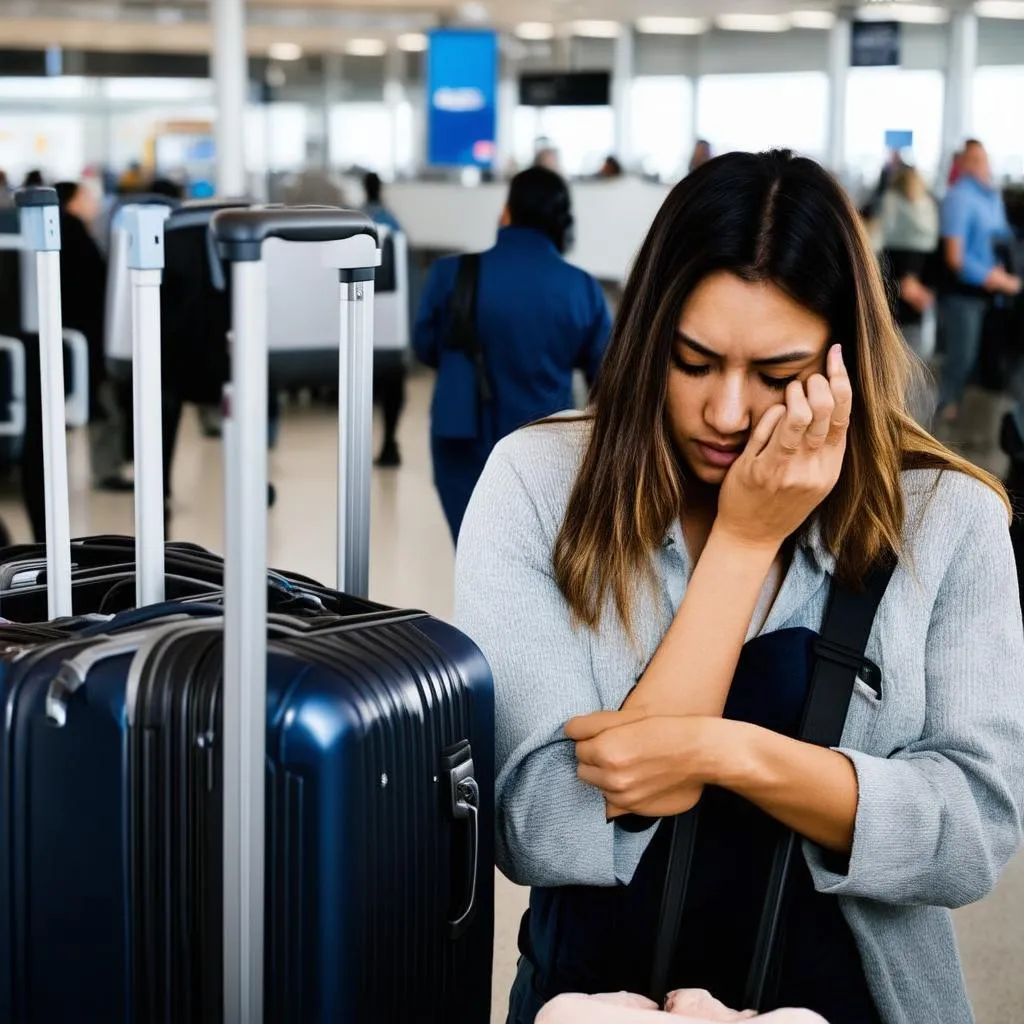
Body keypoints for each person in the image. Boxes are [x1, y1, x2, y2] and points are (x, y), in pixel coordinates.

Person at [454, 150, 1024, 1024]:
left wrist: (726, 754)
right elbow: (537, 822)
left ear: (846, 365)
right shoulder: (537, 484)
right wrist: (744, 541)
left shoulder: (949, 517)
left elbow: (973, 831)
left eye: (778, 378)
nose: (726, 413)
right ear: (649, 340)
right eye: (693, 361)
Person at [413, 165, 611, 542]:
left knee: (474, 550)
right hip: (546, 450)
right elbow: (607, 376)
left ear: (506, 212)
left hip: (461, 442)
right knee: (536, 557)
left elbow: (425, 347)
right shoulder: (581, 288)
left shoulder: (449, 274)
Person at [936, 139, 1021, 426]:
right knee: (960, 358)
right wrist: (994, 277)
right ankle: (941, 420)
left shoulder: (992, 197)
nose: (981, 164)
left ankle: (967, 417)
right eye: (974, 159)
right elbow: (955, 257)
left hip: (994, 293)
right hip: (965, 294)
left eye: (983, 158)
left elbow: (1000, 238)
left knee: (983, 362)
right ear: (962, 163)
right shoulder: (958, 197)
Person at [363, 171, 408, 466]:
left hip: (360, 312)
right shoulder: (392, 223)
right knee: (392, 384)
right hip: (390, 319)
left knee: (365, 388)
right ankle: (389, 440)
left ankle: (368, 444)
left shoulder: (358, 220)